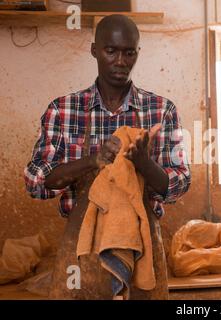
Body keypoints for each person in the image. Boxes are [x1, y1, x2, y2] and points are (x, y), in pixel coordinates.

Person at [24, 14, 191, 299]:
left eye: (129, 52)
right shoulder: (63, 110)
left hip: (142, 251)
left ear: (138, 53)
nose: (120, 61)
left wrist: (143, 164)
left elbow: (179, 185)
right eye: (110, 51)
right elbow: (36, 182)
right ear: (94, 51)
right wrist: (93, 160)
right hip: (82, 250)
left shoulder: (161, 110)